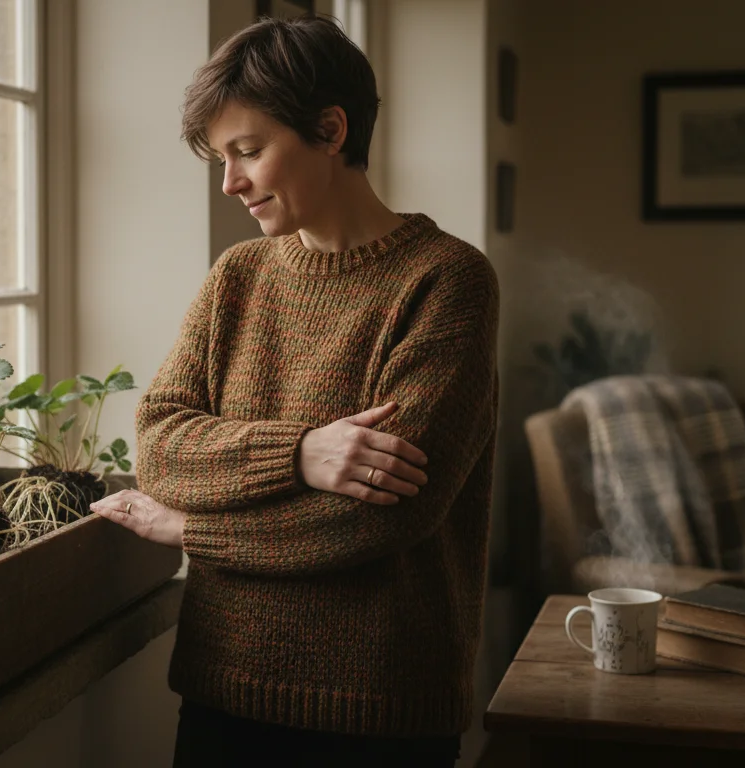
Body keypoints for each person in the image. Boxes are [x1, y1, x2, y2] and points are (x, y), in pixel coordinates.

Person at [89, 14, 498, 768]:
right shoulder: (237, 277)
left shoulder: (446, 281)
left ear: (331, 129)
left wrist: (191, 532)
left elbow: (375, 523)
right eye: (221, 158)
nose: (230, 182)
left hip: (380, 711)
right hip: (221, 691)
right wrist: (300, 454)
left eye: (248, 151)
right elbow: (160, 450)